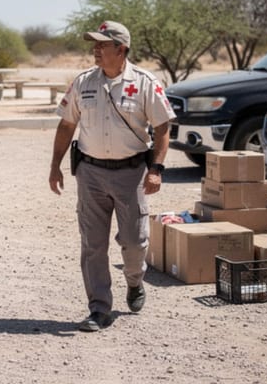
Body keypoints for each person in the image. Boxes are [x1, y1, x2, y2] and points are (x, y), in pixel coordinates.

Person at [48, 21, 176, 332]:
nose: (95, 49)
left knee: (133, 242)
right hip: (90, 173)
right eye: (94, 44)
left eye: (102, 44)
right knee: (93, 245)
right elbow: (67, 125)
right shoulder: (83, 83)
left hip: (131, 174)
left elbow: (162, 127)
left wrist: (156, 169)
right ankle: (99, 309)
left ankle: (134, 281)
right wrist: (55, 165)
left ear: (121, 49)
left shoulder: (145, 83)